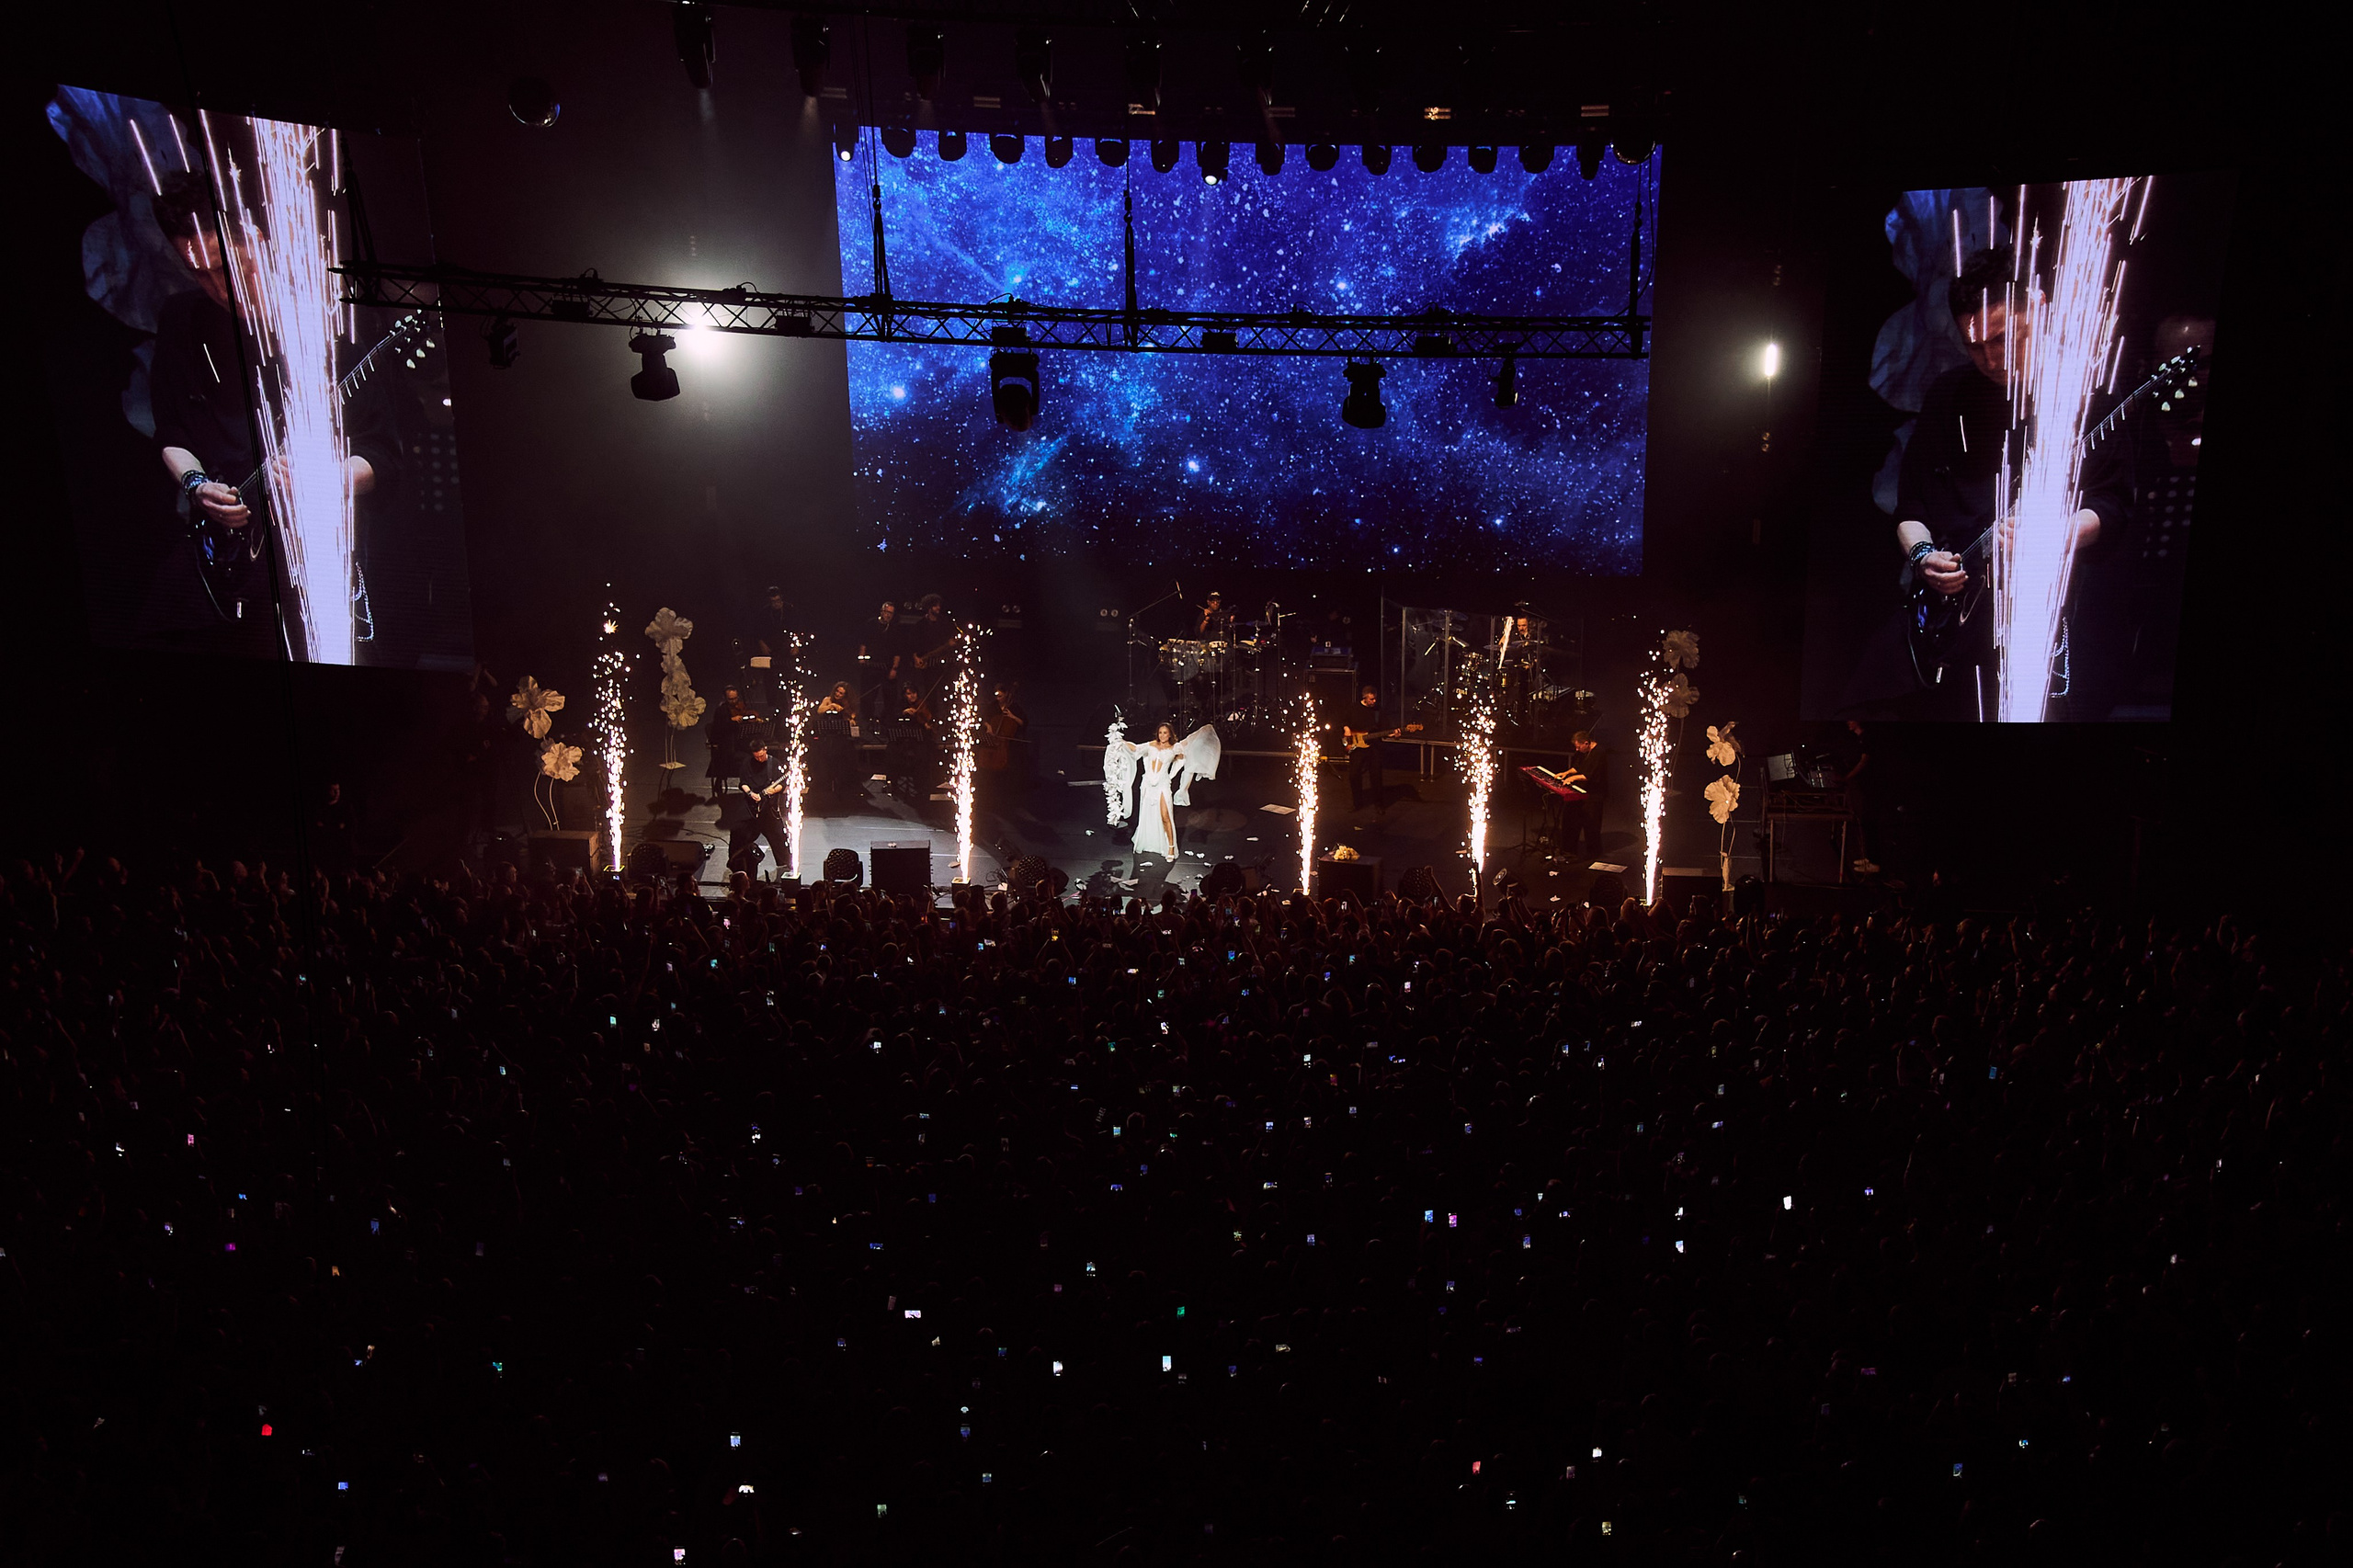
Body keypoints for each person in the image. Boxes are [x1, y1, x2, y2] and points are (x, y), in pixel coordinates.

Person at [149, 169, 400, 657]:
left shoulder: (332, 321)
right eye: (199, 274)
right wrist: (197, 486)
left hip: (310, 564)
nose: (218, 289)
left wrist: (326, 480)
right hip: (216, 559)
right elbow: (171, 432)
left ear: (258, 239)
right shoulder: (181, 319)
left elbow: (384, 455)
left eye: (229, 270)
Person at [1893, 246, 2134, 717]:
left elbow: (2112, 508)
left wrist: (2050, 535)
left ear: (2038, 309)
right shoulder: (1949, 395)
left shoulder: (2091, 392)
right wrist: (1923, 558)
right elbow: (1911, 509)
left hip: (2052, 624)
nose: (1991, 359)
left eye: (2005, 338)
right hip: (1953, 631)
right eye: (1975, 346)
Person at [1104, 721, 1222, 865]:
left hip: (1162, 785)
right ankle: (1148, 842)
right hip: (1147, 784)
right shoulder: (1151, 745)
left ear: (1170, 734)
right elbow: (1135, 749)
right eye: (1160, 732)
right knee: (1146, 814)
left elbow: (1189, 742)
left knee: (1165, 816)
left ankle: (1171, 848)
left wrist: (1204, 730)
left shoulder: (1175, 748)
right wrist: (1120, 742)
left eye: (1165, 732)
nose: (1162, 735)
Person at [725, 740, 792, 878]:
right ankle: (737, 864)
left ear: (765, 749)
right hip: (750, 806)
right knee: (738, 833)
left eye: (761, 756)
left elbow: (782, 785)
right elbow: (743, 783)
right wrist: (751, 794)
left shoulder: (774, 764)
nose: (759, 759)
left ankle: (786, 865)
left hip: (768, 808)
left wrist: (772, 791)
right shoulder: (747, 763)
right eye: (756, 757)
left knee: (779, 836)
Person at [1563, 730, 1609, 861]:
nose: (1577, 750)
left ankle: (1593, 852)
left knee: (1591, 822)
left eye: (1579, 747)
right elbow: (1578, 767)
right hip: (1583, 791)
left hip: (1595, 793)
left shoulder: (1599, 753)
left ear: (1586, 743)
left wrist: (1572, 779)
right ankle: (1570, 848)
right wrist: (1566, 773)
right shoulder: (1583, 752)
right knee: (1572, 817)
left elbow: (1589, 775)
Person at [1345, 687, 1387, 812]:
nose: (1374, 701)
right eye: (1371, 699)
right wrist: (1346, 728)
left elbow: (1384, 728)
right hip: (1357, 747)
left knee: (1376, 776)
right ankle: (1357, 803)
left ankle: (1379, 804)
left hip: (1374, 747)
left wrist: (1393, 733)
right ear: (1365, 698)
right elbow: (1344, 720)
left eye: (1375, 699)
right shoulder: (1354, 708)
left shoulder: (1378, 711)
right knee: (1354, 775)